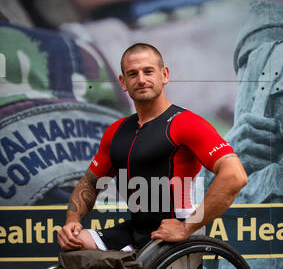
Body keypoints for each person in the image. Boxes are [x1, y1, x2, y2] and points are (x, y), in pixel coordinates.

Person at [57, 43, 248, 252]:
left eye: (148, 71)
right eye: (132, 74)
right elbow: (90, 183)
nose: (141, 80)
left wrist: (186, 227)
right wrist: (72, 221)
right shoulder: (116, 131)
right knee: (76, 242)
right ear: (123, 82)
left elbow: (235, 176)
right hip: (135, 230)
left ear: (164, 75)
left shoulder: (186, 123)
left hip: (173, 235)